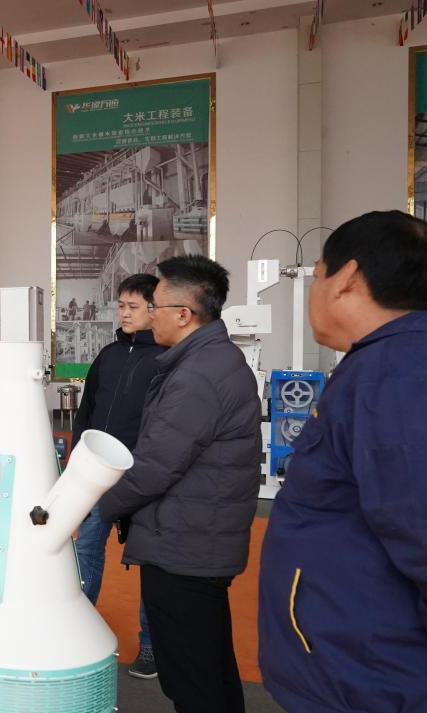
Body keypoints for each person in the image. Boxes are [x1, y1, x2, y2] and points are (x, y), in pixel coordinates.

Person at [259, 211, 427, 712]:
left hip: (371, 678)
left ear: (348, 276)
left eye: (317, 275)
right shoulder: (386, 363)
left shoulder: (395, 373)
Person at [97, 255, 261, 713]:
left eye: (156, 306)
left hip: (186, 546)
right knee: (208, 668)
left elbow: (156, 465)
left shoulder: (198, 375)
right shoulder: (208, 360)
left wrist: (96, 504)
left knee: (192, 678)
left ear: (184, 314)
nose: (150, 316)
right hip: (195, 535)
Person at [71, 274, 166, 679]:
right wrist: (77, 460)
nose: (124, 313)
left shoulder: (165, 358)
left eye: (133, 307)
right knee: (86, 551)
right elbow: (87, 411)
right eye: (121, 306)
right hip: (97, 475)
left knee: (149, 562)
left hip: (143, 478)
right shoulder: (108, 355)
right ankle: (75, 629)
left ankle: (151, 648)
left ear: (154, 310)